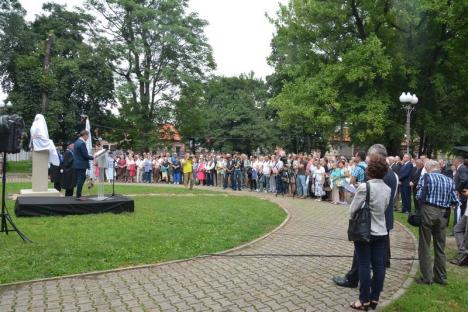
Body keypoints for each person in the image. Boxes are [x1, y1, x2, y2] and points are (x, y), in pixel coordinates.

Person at [333, 144, 398, 292]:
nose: (368, 160)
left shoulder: (381, 174)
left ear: (377, 156)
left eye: (371, 157)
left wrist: (361, 192)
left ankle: (353, 280)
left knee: (362, 257)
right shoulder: (393, 174)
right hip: (385, 220)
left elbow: (368, 197)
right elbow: (392, 198)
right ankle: (375, 287)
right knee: (379, 259)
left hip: (370, 221)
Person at [349, 154, 391, 310]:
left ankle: (363, 300)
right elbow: (385, 208)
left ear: (370, 170)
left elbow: (353, 210)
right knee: (379, 266)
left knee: (364, 265)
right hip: (381, 231)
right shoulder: (388, 189)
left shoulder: (364, 187)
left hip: (365, 232)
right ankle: (374, 299)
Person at [415, 160, 460, 285]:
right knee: (440, 246)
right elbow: (455, 200)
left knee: (425, 244)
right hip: (443, 214)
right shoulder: (449, 180)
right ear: (438, 167)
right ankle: (441, 277)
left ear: (428, 168)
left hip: (428, 211)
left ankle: (427, 278)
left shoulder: (426, 178)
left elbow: (419, 196)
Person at [73, 130, 94, 200]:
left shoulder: (76, 142)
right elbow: (85, 155)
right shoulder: (82, 143)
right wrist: (94, 157)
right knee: (80, 180)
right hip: (81, 164)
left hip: (77, 164)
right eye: (87, 136)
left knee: (82, 178)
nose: (88, 138)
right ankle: (78, 196)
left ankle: (78, 195)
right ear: (84, 135)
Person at [451, 187, 468, 266]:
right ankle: (463, 252)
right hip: (467, 213)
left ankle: (463, 257)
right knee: (457, 229)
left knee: (467, 238)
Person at [453, 156, 468, 228]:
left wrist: (458, 190)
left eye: (454, 160)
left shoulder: (462, 168)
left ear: (458, 161)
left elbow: (464, 179)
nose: (453, 162)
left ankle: (457, 228)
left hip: (461, 194)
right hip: (462, 194)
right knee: (461, 211)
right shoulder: (462, 168)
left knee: (459, 211)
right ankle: (460, 228)